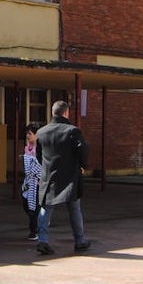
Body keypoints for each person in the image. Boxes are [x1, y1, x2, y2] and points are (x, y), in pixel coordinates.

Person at [34, 100, 90, 256]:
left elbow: (38, 154)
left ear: (53, 112)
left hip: (49, 174)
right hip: (69, 174)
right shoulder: (72, 131)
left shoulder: (42, 132)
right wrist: (83, 165)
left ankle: (42, 240)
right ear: (66, 113)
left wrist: (46, 166)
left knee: (46, 207)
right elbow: (82, 151)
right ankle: (79, 241)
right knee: (74, 207)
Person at [21, 122, 42, 240]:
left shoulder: (40, 148)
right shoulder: (27, 147)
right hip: (29, 182)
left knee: (34, 207)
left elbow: (42, 165)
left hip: (38, 182)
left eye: (30, 133)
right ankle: (38, 223)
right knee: (26, 204)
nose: (28, 136)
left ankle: (34, 231)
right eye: (27, 134)